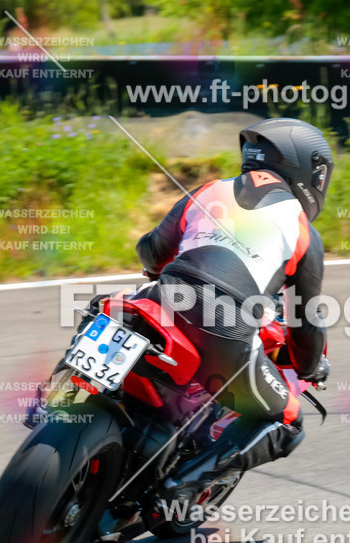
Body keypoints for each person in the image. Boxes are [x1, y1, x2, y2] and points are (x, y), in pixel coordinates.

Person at [135, 117, 333, 502]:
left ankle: (60, 397)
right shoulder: (302, 229)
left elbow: (151, 250)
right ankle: (182, 485)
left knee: (108, 311)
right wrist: (310, 368)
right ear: (310, 171)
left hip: (162, 296)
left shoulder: (209, 190)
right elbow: (305, 323)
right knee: (287, 418)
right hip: (225, 328)